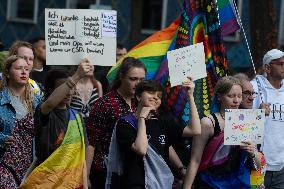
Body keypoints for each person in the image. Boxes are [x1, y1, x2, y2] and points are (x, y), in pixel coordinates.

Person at [105, 78, 201, 189]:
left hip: (161, 184)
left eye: (159, 96)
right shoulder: (125, 123)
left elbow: (195, 130)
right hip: (136, 184)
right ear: (138, 96)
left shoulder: (162, 121)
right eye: (151, 93)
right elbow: (141, 149)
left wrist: (190, 96)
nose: (156, 97)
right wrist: (141, 118)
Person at [20, 59, 91, 188]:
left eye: (72, 88)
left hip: (71, 182)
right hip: (45, 182)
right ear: (50, 89)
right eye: (63, 88)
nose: (69, 92)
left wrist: (85, 184)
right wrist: (77, 76)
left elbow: (81, 157)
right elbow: (51, 103)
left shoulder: (77, 116)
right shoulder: (44, 111)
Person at [183, 76, 262, 189]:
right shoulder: (208, 123)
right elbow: (195, 160)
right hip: (210, 183)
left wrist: (252, 152)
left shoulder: (247, 120)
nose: (236, 101)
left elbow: (257, 165)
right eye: (231, 96)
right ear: (219, 97)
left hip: (238, 183)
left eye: (239, 96)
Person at [86, 57, 146, 189]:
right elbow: (91, 142)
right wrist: (85, 177)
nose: (138, 84)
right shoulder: (105, 104)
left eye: (142, 80)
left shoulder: (143, 103)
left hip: (134, 171)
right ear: (121, 76)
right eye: (133, 79)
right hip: (105, 170)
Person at [0, 55, 41, 188]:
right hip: (5, 163)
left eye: (27, 69)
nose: (24, 72)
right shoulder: (1, 99)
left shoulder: (37, 100)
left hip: (32, 165)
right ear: (7, 73)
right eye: (19, 68)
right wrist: (1, 138)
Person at [251, 49, 284, 188]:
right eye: (281, 64)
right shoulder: (252, 87)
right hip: (257, 165)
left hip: (282, 168)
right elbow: (238, 121)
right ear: (267, 67)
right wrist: (258, 113)